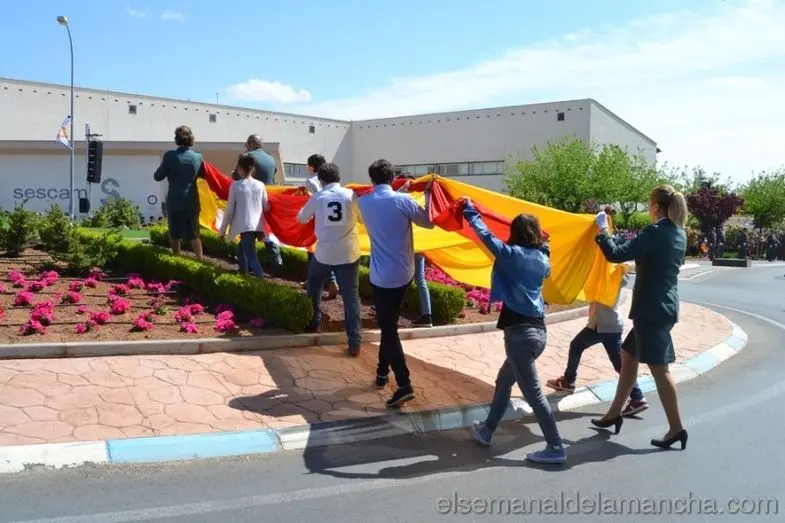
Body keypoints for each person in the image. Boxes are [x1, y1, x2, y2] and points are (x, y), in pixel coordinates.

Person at [463, 199, 566, 464]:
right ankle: (487, 430)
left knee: (534, 395)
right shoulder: (543, 259)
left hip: (520, 336)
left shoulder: (512, 255)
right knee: (504, 381)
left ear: (515, 232)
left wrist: (471, 212)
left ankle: (555, 447)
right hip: (538, 333)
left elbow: (487, 237)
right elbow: (545, 251)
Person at [590, 184, 689, 451]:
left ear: (655, 206)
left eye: (649, 204)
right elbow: (634, 249)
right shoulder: (678, 232)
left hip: (651, 311)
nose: (648, 208)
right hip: (663, 307)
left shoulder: (655, 232)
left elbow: (616, 254)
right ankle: (614, 413)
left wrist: (602, 231)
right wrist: (611, 235)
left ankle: (676, 428)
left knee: (660, 369)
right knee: (628, 355)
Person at [357, 159, 434, 408]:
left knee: (388, 327)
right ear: (391, 178)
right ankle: (381, 373)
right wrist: (428, 194)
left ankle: (404, 384)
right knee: (388, 325)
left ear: (372, 179)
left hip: (380, 276)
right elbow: (429, 222)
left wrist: (400, 191)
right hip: (403, 274)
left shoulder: (364, 203)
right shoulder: (403, 201)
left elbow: (383, 202)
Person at [546, 272, 649, 416]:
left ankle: (568, 380)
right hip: (613, 324)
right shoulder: (616, 276)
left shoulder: (607, 277)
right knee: (619, 363)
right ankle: (637, 397)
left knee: (576, 346)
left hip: (600, 325)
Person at [296, 163, 362, 356]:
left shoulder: (317, 197)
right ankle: (355, 342)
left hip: (324, 253)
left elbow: (301, 218)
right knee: (351, 297)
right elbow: (362, 218)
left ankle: (313, 323)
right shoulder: (351, 195)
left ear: (321, 180)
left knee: (314, 285)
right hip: (348, 254)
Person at [153, 125, 204, 260]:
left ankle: (177, 260)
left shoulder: (170, 156)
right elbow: (203, 176)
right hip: (192, 199)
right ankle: (200, 259)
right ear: (191, 139)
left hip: (175, 199)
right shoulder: (198, 157)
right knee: (195, 234)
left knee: (175, 234)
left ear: (176, 139)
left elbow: (158, 176)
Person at [218, 152, 270, 278]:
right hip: (257, 226)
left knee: (252, 257)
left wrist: (222, 231)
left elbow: (229, 211)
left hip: (245, 227)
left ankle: (260, 281)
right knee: (240, 251)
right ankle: (243, 274)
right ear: (252, 168)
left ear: (240, 169)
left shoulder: (236, 186)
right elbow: (267, 207)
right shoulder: (260, 185)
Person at [397, 175, 433, 327]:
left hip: (407, 247)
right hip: (419, 247)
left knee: (399, 280)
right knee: (419, 279)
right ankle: (427, 315)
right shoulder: (419, 198)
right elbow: (429, 217)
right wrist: (428, 192)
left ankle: (391, 312)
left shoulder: (403, 200)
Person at [244, 135, 282, 271]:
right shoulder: (270, 158)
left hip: (251, 199)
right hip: (268, 198)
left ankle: (250, 265)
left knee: (249, 232)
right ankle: (277, 263)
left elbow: (239, 176)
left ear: (249, 144)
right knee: (268, 232)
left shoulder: (247, 156)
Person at [303, 154, 338, 299]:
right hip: (333, 219)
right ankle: (329, 282)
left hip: (317, 220)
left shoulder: (310, 180)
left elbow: (311, 200)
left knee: (314, 252)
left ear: (311, 167)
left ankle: (328, 282)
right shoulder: (330, 179)